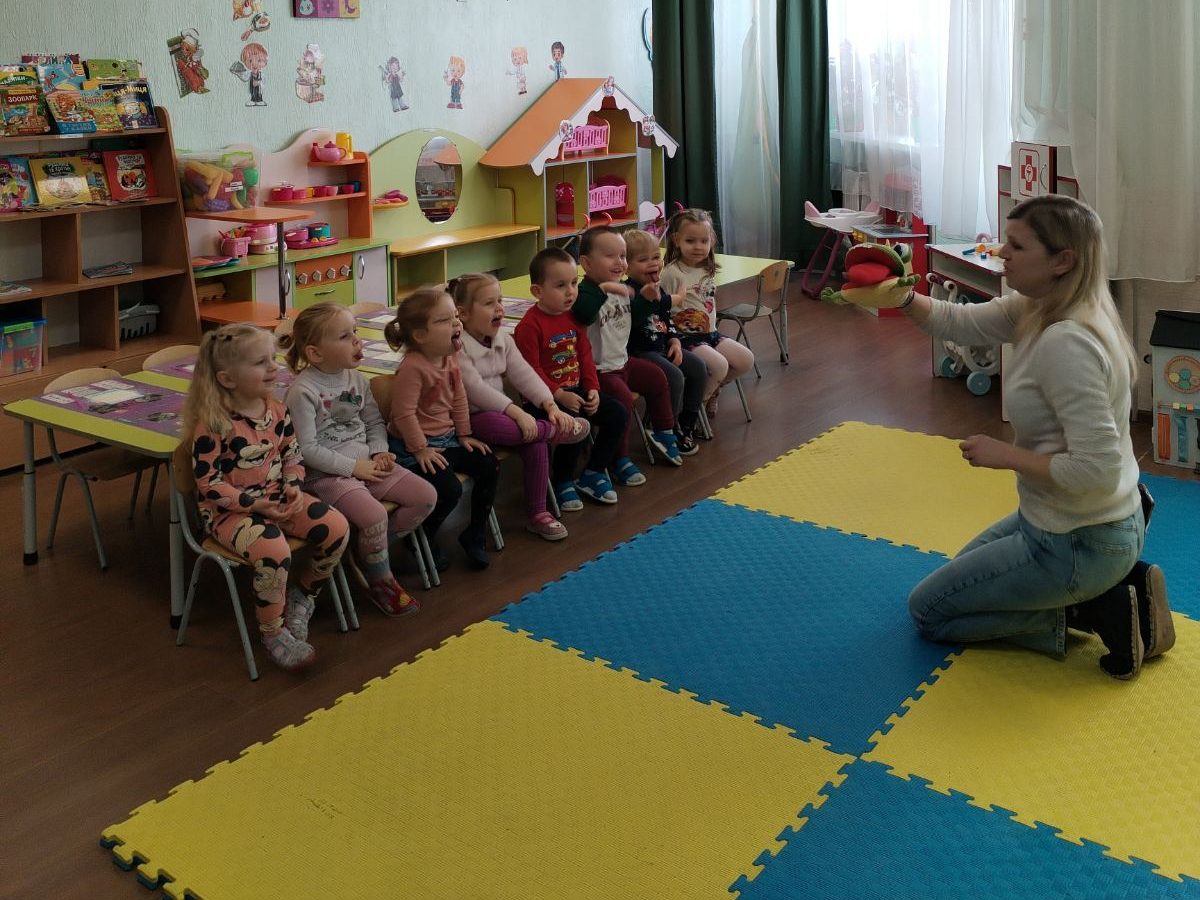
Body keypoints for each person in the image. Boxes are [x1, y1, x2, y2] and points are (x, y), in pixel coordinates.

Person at [841, 194, 1173, 680]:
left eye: (1017, 246)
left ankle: (1093, 610)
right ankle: (1114, 588)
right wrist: (903, 298)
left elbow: (1096, 471)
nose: (1001, 253)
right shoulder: (1043, 306)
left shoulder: (1067, 343)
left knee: (929, 612)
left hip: (1080, 540)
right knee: (960, 577)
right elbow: (960, 322)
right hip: (1074, 521)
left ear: (1062, 260)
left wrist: (1005, 455)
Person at [182, 324, 349, 671]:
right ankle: (272, 632)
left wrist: (293, 484)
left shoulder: (277, 409)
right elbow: (209, 483)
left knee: (337, 527)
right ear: (228, 379)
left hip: (277, 498)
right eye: (261, 362)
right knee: (274, 550)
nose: (274, 367)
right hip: (230, 514)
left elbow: (293, 455)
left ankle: (303, 596)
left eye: (272, 358)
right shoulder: (213, 424)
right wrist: (253, 504)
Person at [280, 302, 435, 618]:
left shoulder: (357, 379)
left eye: (355, 331)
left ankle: (369, 551)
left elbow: (374, 422)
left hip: (367, 464)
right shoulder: (302, 391)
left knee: (425, 497)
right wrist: (354, 467)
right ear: (315, 353)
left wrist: (379, 451)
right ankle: (381, 579)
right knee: (374, 516)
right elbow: (306, 449)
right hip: (328, 475)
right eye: (344, 336)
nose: (356, 340)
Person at [450, 273, 590, 541]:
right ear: (463, 314)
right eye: (489, 303)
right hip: (470, 420)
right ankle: (553, 432)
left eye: (500, 301)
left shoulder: (503, 339)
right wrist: (519, 413)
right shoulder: (457, 348)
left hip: (502, 413)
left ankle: (538, 514)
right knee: (529, 431)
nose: (499, 308)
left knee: (534, 442)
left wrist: (550, 405)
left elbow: (524, 374)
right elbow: (475, 390)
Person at [384, 288, 499, 571]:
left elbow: (458, 396)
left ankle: (475, 533)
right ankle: (422, 536)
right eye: (444, 320)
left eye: (455, 316)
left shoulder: (450, 356)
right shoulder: (413, 367)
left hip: (447, 440)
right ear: (420, 335)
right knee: (449, 489)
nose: (456, 323)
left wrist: (464, 433)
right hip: (414, 447)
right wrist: (420, 449)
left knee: (489, 465)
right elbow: (403, 414)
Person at [514, 247, 628, 510]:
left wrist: (593, 388)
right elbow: (530, 370)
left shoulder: (573, 317)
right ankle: (562, 480)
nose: (571, 292)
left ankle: (593, 472)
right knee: (574, 423)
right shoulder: (529, 326)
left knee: (617, 414)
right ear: (537, 291)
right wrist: (558, 394)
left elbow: (584, 354)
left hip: (576, 389)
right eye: (560, 286)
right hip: (543, 400)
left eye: (574, 283)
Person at [574, 226, 682, 486]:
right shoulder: (583, 292)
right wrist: (604, 289)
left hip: (622, 362)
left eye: (622, 256)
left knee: (657, 377)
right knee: (623, 401)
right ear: (586, 264)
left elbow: (632, 319)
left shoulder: (622, 288)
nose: (619, 262)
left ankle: (663, 431)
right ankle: (618, 458)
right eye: (610, 256)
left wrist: (645, 300)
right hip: (599, 370)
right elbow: (583, 314)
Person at [658, 208, 754, 420]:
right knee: (719, 366)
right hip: (684, 337)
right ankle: (693, 409)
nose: (698, 247)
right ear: (677, 240)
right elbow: (661, 308)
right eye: (690, 241)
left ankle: (710, 391)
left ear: (711, 240)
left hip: (710, 333)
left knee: (746, 360)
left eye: (704, 241)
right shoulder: (671, 273)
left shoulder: (708, 268)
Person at [624, 228, 707, 451]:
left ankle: (687, 422)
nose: (652, 263)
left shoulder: (657, 287)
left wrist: (675, 341)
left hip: (661, 347)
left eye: (655, 257)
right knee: (675, 377)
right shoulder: (627, 291)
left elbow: (666, 318)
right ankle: (667, 427)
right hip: (640, 353)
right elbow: (631, 321)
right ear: (627, 266)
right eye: (643, 260)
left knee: (698, 367)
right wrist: (656, 299)